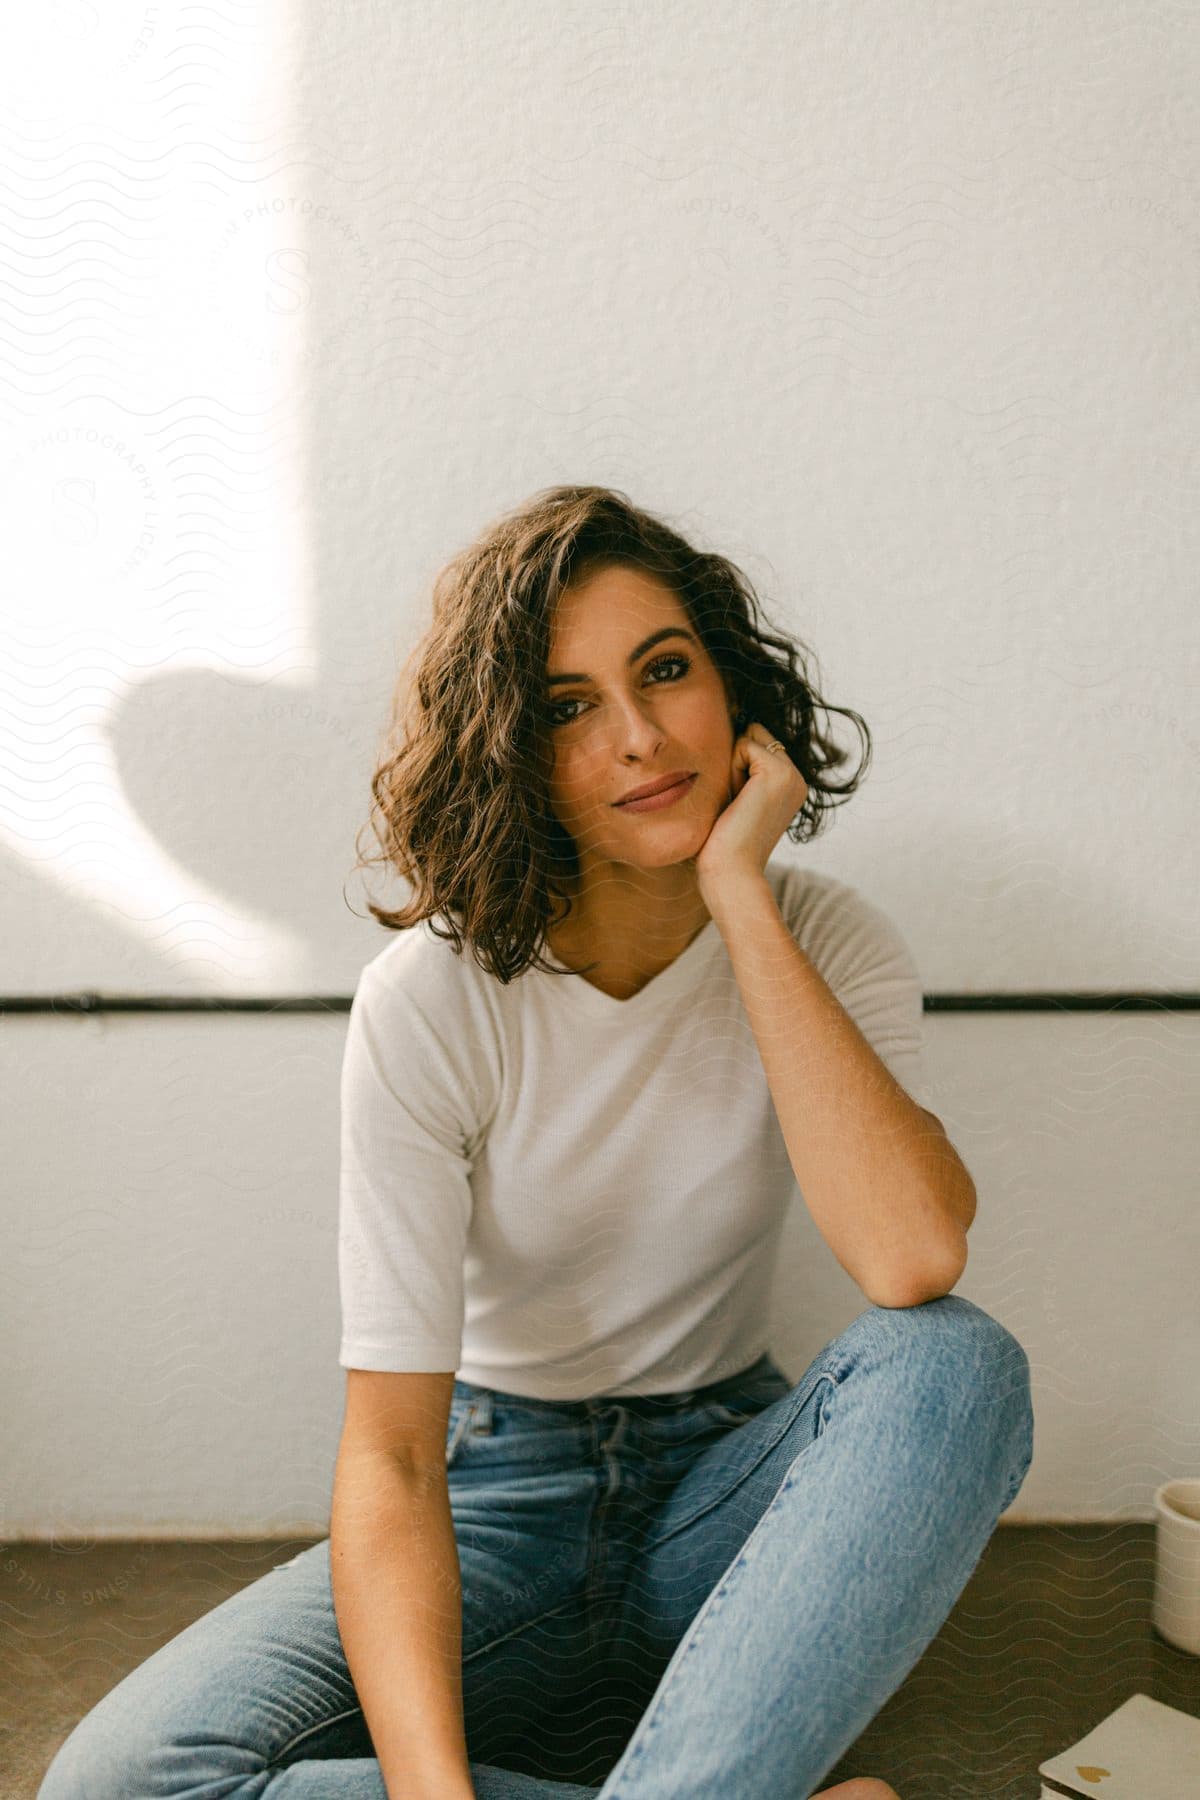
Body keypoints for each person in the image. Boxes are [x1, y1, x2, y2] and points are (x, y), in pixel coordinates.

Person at [38, 486, 1034, 1800]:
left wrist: (740, 894)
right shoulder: (436, 997)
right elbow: (391, 1456)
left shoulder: (830, 942)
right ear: (515, 750)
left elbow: (911, 1255)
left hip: (725, 1506)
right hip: (496, 1503)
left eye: (665, 671)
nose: (638, 737)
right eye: (570, 708)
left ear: (725, 684)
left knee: (955, 1365)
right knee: (118, 1784)